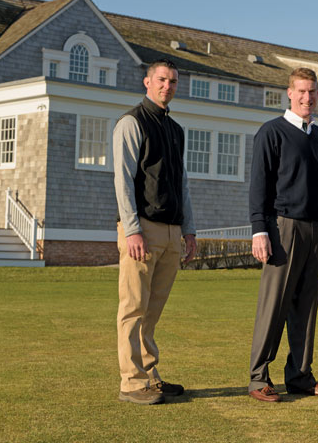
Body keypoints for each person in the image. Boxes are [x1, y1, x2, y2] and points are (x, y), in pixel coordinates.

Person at [247, 67, 318, 403]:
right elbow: (259, 186)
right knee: (274, 306)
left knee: (307, 309)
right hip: (282, 228)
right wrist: (260, 230)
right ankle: (259, 378)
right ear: (289, 92)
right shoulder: (271, 133)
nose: (307, 97)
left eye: (312, 91)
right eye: (301, 91)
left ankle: (300, 376)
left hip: (316, 230)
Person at [113, 58, 197, 405]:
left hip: (172, 231)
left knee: (152, 310)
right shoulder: (131, 123)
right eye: (161, 80)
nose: (167, 86)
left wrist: (189, 231)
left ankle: (149, 374)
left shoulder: (176, 130)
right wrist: (132, 229)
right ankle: (131, 382)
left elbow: (183, 184)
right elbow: (123, 179)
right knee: (133, 307)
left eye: (173, 82)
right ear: (147, 82)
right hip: (142, 230)